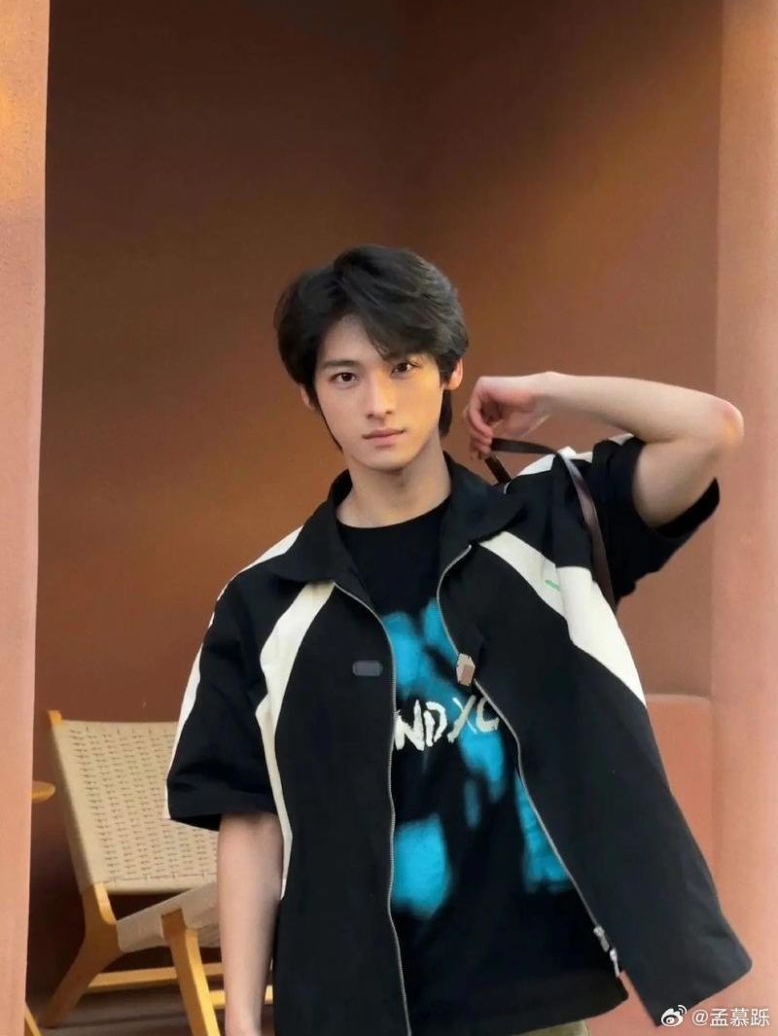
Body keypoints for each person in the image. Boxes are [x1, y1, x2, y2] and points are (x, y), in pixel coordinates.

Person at [163, 244, 750, 1036]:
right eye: (345, 376)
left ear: (449, 370)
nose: (378, 402)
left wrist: (550, 389)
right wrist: (238, 1022)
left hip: (531, 995)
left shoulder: (546, 525)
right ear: (310, 394)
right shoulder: (262, 601)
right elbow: (251, 823)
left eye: (404, 366)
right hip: (349, 1003)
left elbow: (711, 431)